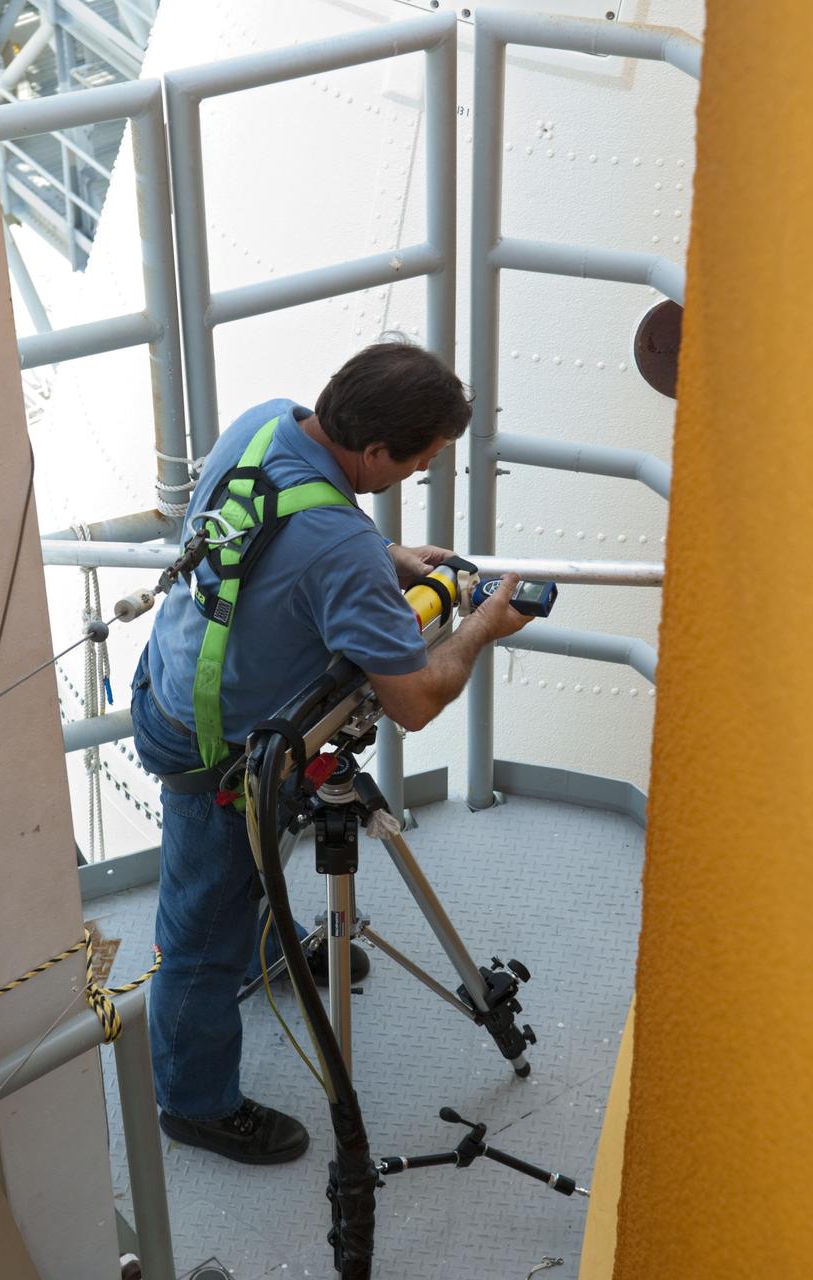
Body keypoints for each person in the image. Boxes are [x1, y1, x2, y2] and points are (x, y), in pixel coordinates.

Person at [130, 338, 532, 1164]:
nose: (415, 475)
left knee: (248, 867)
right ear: (376, 450)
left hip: (168, 686)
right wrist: (484, 624)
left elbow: (273, 527)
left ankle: (271, 948)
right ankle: (194, 1102)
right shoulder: (340, 552)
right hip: (219, 753)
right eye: (416, 462)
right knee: (201, 932)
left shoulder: (263, 422)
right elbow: (415, 698)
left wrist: (384, 556)